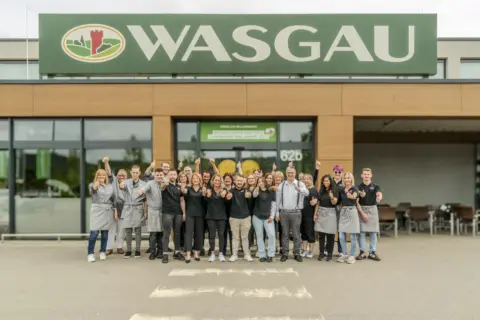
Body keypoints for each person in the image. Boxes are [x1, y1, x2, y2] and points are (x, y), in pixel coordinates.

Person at [276, 166, 309, 262]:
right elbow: (278, 201)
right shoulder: (281, 185)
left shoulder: (300, 184)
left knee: (296, 234)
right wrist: (277, 213)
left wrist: (300, 190)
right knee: (285, 234)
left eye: (292, 172)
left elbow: (307, 193)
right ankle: (285, 253)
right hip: (284, 213)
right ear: (286, 173)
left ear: (295, 173)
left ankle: (297, 253)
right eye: (288, 172)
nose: (290, 174)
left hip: (296, 213)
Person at [87, 169, 117, 263]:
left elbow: (114, 199)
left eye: (103, 176)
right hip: (97, 210)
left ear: (105, 177)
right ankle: (90, 254)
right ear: (97, 177)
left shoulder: (110, 187)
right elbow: (93, 190)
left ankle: (103, 252)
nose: (101, 178)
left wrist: (115, 211)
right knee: (94, 234)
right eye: (99, 176)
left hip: (107, 210)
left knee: (105, 234)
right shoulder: (92, 185)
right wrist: (96, 186)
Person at [119, 165, 146, 259]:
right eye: (133, 172)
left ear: (139, 173)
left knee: (138, 231)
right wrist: (121, 185)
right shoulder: (126, 182)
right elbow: (122, 186)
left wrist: (146, 212)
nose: (135, 174)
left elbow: (146, 198)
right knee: (128, 230)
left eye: (136, 172)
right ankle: (129, 250)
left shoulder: (143, 184)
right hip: (128, 207)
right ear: (131, 172)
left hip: (138, 208)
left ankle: (137, 250)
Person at [356, 168, 383, 262]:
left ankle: (372, 252)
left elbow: (379, 194)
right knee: (362, 233)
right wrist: (362, 213)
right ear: (362, 175)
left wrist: (379, 197)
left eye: (368, 174)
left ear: (371, 175)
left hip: (373, 209)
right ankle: (362, 252)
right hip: (362, 209)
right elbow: (356, 202)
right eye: (364, 174)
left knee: (373, 233)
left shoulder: (375, 186)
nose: (366, 176)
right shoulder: (358, 187)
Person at [138, 168, 164, 261]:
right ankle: (152, 252)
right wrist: (141, 190)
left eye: (161, 175)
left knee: (161, 233)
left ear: (163, 175)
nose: (159, 176)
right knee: (153, 233)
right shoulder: (150, 183)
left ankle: (160, 251)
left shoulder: (165, 182)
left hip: (162, 211)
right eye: (157, 175)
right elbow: (145, 189)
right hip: (152, 211)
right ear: (155, 175)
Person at [160, 169, 185, 263]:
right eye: (171, 174)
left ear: (176, 176)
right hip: (167, 213)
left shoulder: (179, 186)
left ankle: (177, 252)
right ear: (168, 175)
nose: (173, 176)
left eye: (174, 174)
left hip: (178, 213)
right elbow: (161, 187)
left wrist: (184, 213)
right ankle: (165, 254)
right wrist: (164, 183)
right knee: (166, 234)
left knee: (177, 233)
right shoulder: (165, 184)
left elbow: (182, 200)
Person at [103, 157, 126, 255]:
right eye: (120, 175)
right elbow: (108, 172)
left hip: (124, 210)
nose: (121, 177)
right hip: (112, 209)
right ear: (117, 176)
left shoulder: (128, 183)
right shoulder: (113, 180)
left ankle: (120, 247)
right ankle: (109, 248)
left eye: (123, 175)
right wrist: (106, 162)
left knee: (121, 230)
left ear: (126, 176)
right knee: (111, 230)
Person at [228, 175, 253, 262]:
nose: (239, 182)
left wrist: (249, 196)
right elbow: (227, 200)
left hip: (245, 217)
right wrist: (228, 197)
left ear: (243, 182)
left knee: (245, 237)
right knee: (235, 237)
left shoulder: (247, 190)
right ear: (234, 182)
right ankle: (234, 254)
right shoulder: (231, 191)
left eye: (241, 181)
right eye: (237, 181)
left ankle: (247, 254)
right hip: (234, 217)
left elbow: (250, 200)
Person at [205, 170, 229, 262]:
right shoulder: (209, 189)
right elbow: (205, 201)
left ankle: (221, 253)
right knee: (211, 236)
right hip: (210, 216)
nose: (217, 182)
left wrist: (226, 196)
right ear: (213, 181)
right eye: (216, 180)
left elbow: (228, 202)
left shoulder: (224, 190)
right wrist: (207, 195)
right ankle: (212, 253)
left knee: (221, 235)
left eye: (219, 180)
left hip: (222, 216)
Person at [337, 172, 360, 264]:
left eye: (348, 178)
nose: (347, 179)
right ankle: (345, 254)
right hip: (344, 211)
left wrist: (351, 196)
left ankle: (352, 256)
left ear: (351, 179)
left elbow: (355, 195)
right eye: (345, 178)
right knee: (341, 235)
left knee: (353, 235)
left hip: (352, 211)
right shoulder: (341, 190)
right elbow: (338, 201)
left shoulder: (354, 188)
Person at [314, 174, 339, 262]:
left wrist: (332, 197)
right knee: (321, 235)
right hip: (321, 213)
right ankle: (321, 253)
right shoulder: (321, 190)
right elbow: (318, 203)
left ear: (330, 181)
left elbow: (334, 203)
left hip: (331, 213)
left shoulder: (334, 190)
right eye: (324, 181)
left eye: (327, 181)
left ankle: (329, 254)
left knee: (330, 235)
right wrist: (315, 214)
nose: (326, 182)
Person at [252, 177, 276, 262]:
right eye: (259, 182)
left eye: (262, 181)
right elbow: (254, 195)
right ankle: (262, 255)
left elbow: (273, 205)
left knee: (272, 235)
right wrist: (257, 188)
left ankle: (270, 254)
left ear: (265, 182)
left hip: (268, 217)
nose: (261, 183)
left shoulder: (271, 191)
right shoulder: (257, 190)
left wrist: (272, 216)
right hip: (257, 216)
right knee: (259, 236)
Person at [182, 172, 205, 263]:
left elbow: (205, 202)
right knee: (189, 234)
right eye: (194, 179)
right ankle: (188, 254)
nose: (195, 180)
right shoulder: (188, 189)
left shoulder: (202, 189)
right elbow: (184, 199)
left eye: (197, 179)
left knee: (198, 234)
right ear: (191, 180)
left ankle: (196, 253)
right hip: (190, 214)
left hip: (200, 214)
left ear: (200, 180)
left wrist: (204, 194)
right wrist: (183, 191)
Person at [300, 174, 318, 259]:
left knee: (310, 233)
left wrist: (314, 203)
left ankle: (310, 251)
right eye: (304, 179)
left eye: (308, 179)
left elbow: (315, 202)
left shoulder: (313, 190)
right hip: (302, 215)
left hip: (309, 215)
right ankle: (304, 250)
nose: (306, 181)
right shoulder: (304, 190)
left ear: (311, 180)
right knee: (303, 234)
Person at [332, 164, 345, 257]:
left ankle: (341, 250)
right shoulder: (330, 182)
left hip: (340, 208)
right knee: (330, 229)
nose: (337, 173)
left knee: (340, 230)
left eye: (339, 172)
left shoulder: (344, 183)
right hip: (330, 208)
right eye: (336, 172)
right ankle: (328, 249)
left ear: (342, 173)